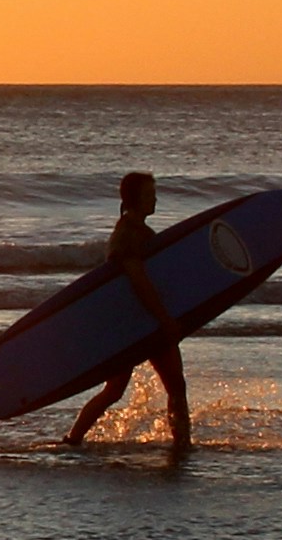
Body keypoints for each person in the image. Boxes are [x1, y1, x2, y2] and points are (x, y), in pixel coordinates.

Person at [62, 170, 191, 450]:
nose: (154, 200)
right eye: (149, 195)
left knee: (116, 390)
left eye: (154, 194)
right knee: (170, 388)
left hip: (131, 323)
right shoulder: (128, 235)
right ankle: (183, 444)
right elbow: (140, 282)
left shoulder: (138, 231)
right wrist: (164, 319)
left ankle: (73, 439)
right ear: (134, 199)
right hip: (141, 324)